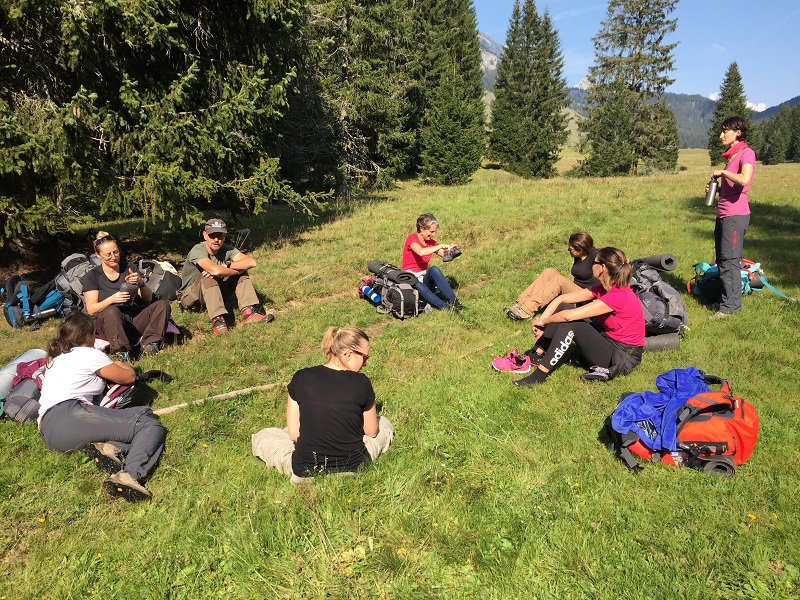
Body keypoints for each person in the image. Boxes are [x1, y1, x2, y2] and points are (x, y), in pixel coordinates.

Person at [37, 312, 166, 501]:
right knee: (148, 424)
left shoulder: (56, 359)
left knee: (137, 418)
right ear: (88, 335)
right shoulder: (89, 354)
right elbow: (128, 378)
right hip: (70, 414)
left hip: (49, 432)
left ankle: (109, 447)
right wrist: (122, 365)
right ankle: (129, 476)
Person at [252, 326, 394, 482]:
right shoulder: (362, 382)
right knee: (384, 423)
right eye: (365, 357)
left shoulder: (302, 377)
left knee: (263, 436)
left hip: (305, 472)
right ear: (348, 354)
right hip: (354, 467)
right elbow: (372, 432)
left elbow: (294, 434)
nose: (365, 363)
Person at [514, 247, 644, 386]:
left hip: (620, 356)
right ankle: (535, 355)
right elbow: (562, 299)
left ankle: (538, 376)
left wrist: (544, 321)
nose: (590, 266)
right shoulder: (604, 288)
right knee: (564, 308)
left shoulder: (618, 296)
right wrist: (541, 322)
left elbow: (568, 317)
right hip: (606, 339)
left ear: (602, 268)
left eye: (593, 262)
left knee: (572, 324)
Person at [84, 231, 171, 361]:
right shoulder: (92, 276)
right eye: (108, 254)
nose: (113, 257)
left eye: (116, 252)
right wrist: (112, 299)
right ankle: (121, 351)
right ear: (98, 255)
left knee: (162, 305)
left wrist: (141, 283)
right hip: (107, 322)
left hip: (132, 318)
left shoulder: (129, 268)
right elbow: (91, 309)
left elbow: (148, 299)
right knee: (112, 311)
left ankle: (151, 343)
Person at [178, 218, 274, 334]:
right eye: (213, 235)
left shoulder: (227, 249)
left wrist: (228, 265)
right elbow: (214, 271)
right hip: (191, 299)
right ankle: (218, 321)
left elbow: (251, 262)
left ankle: (249, 313)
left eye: (220, 236)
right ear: (205, 235)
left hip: (212, 293)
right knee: (209, 276)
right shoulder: (198, 250)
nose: (217, 239)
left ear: (225, 236)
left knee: (241, 272)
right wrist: (234, 270)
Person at [705, 116, 755, 320]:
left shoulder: (747, 153)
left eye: (725, 131)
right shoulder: (731, 157)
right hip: (724, 214)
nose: (721, 135)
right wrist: (715, 191)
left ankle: (730, 308)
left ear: (738, 132)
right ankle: (725, 299)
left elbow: (744, 179)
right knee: (722, 260)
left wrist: (724, 173)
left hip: (736, 216)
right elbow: (732, 188)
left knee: (731, 260)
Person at [506, 232, 599, 320]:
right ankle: (520, 303)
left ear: (580, 249)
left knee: (559, 280)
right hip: (576, 290)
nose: (568, 250)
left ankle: (526, 310)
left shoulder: (596, 257)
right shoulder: (579, 256)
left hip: (586, 297)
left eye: (571, 249)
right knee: (549, 272)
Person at [401, 213, 465, 311]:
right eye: (431, 231)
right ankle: (445, 308)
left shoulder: (431, 243)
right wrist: (440, 245)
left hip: (423, 276)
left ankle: (455, 302)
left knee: (434, 269)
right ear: (422, 229)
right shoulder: (412, 239)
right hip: (410, 278)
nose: (433, 235)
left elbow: (445, 255)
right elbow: (421, 252)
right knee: (418, 284)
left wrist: (452, 250)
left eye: (434, 232)